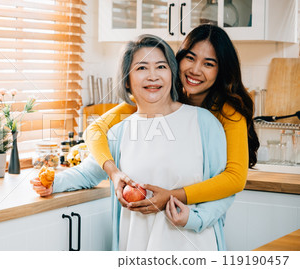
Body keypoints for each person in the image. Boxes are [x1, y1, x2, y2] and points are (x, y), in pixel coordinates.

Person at [31, 34, 234, 251]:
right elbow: (88, 173)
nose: (153, 76)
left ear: (172, 73)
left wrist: (193, 218)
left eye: (161, 67)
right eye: (141, 68)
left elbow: (223, 189)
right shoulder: (119, 131)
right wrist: (53, 183)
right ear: (126, 80)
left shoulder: (204, 123)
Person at [83, 24, 259, 213]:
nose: (195, 70)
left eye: (209, 64)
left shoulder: (227, 113)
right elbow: (94, 130)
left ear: (221, 70)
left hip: (200, 214)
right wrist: (114, 172)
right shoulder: (159, 97)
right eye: (190, 58)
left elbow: (234, 179)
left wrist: (172, 195)